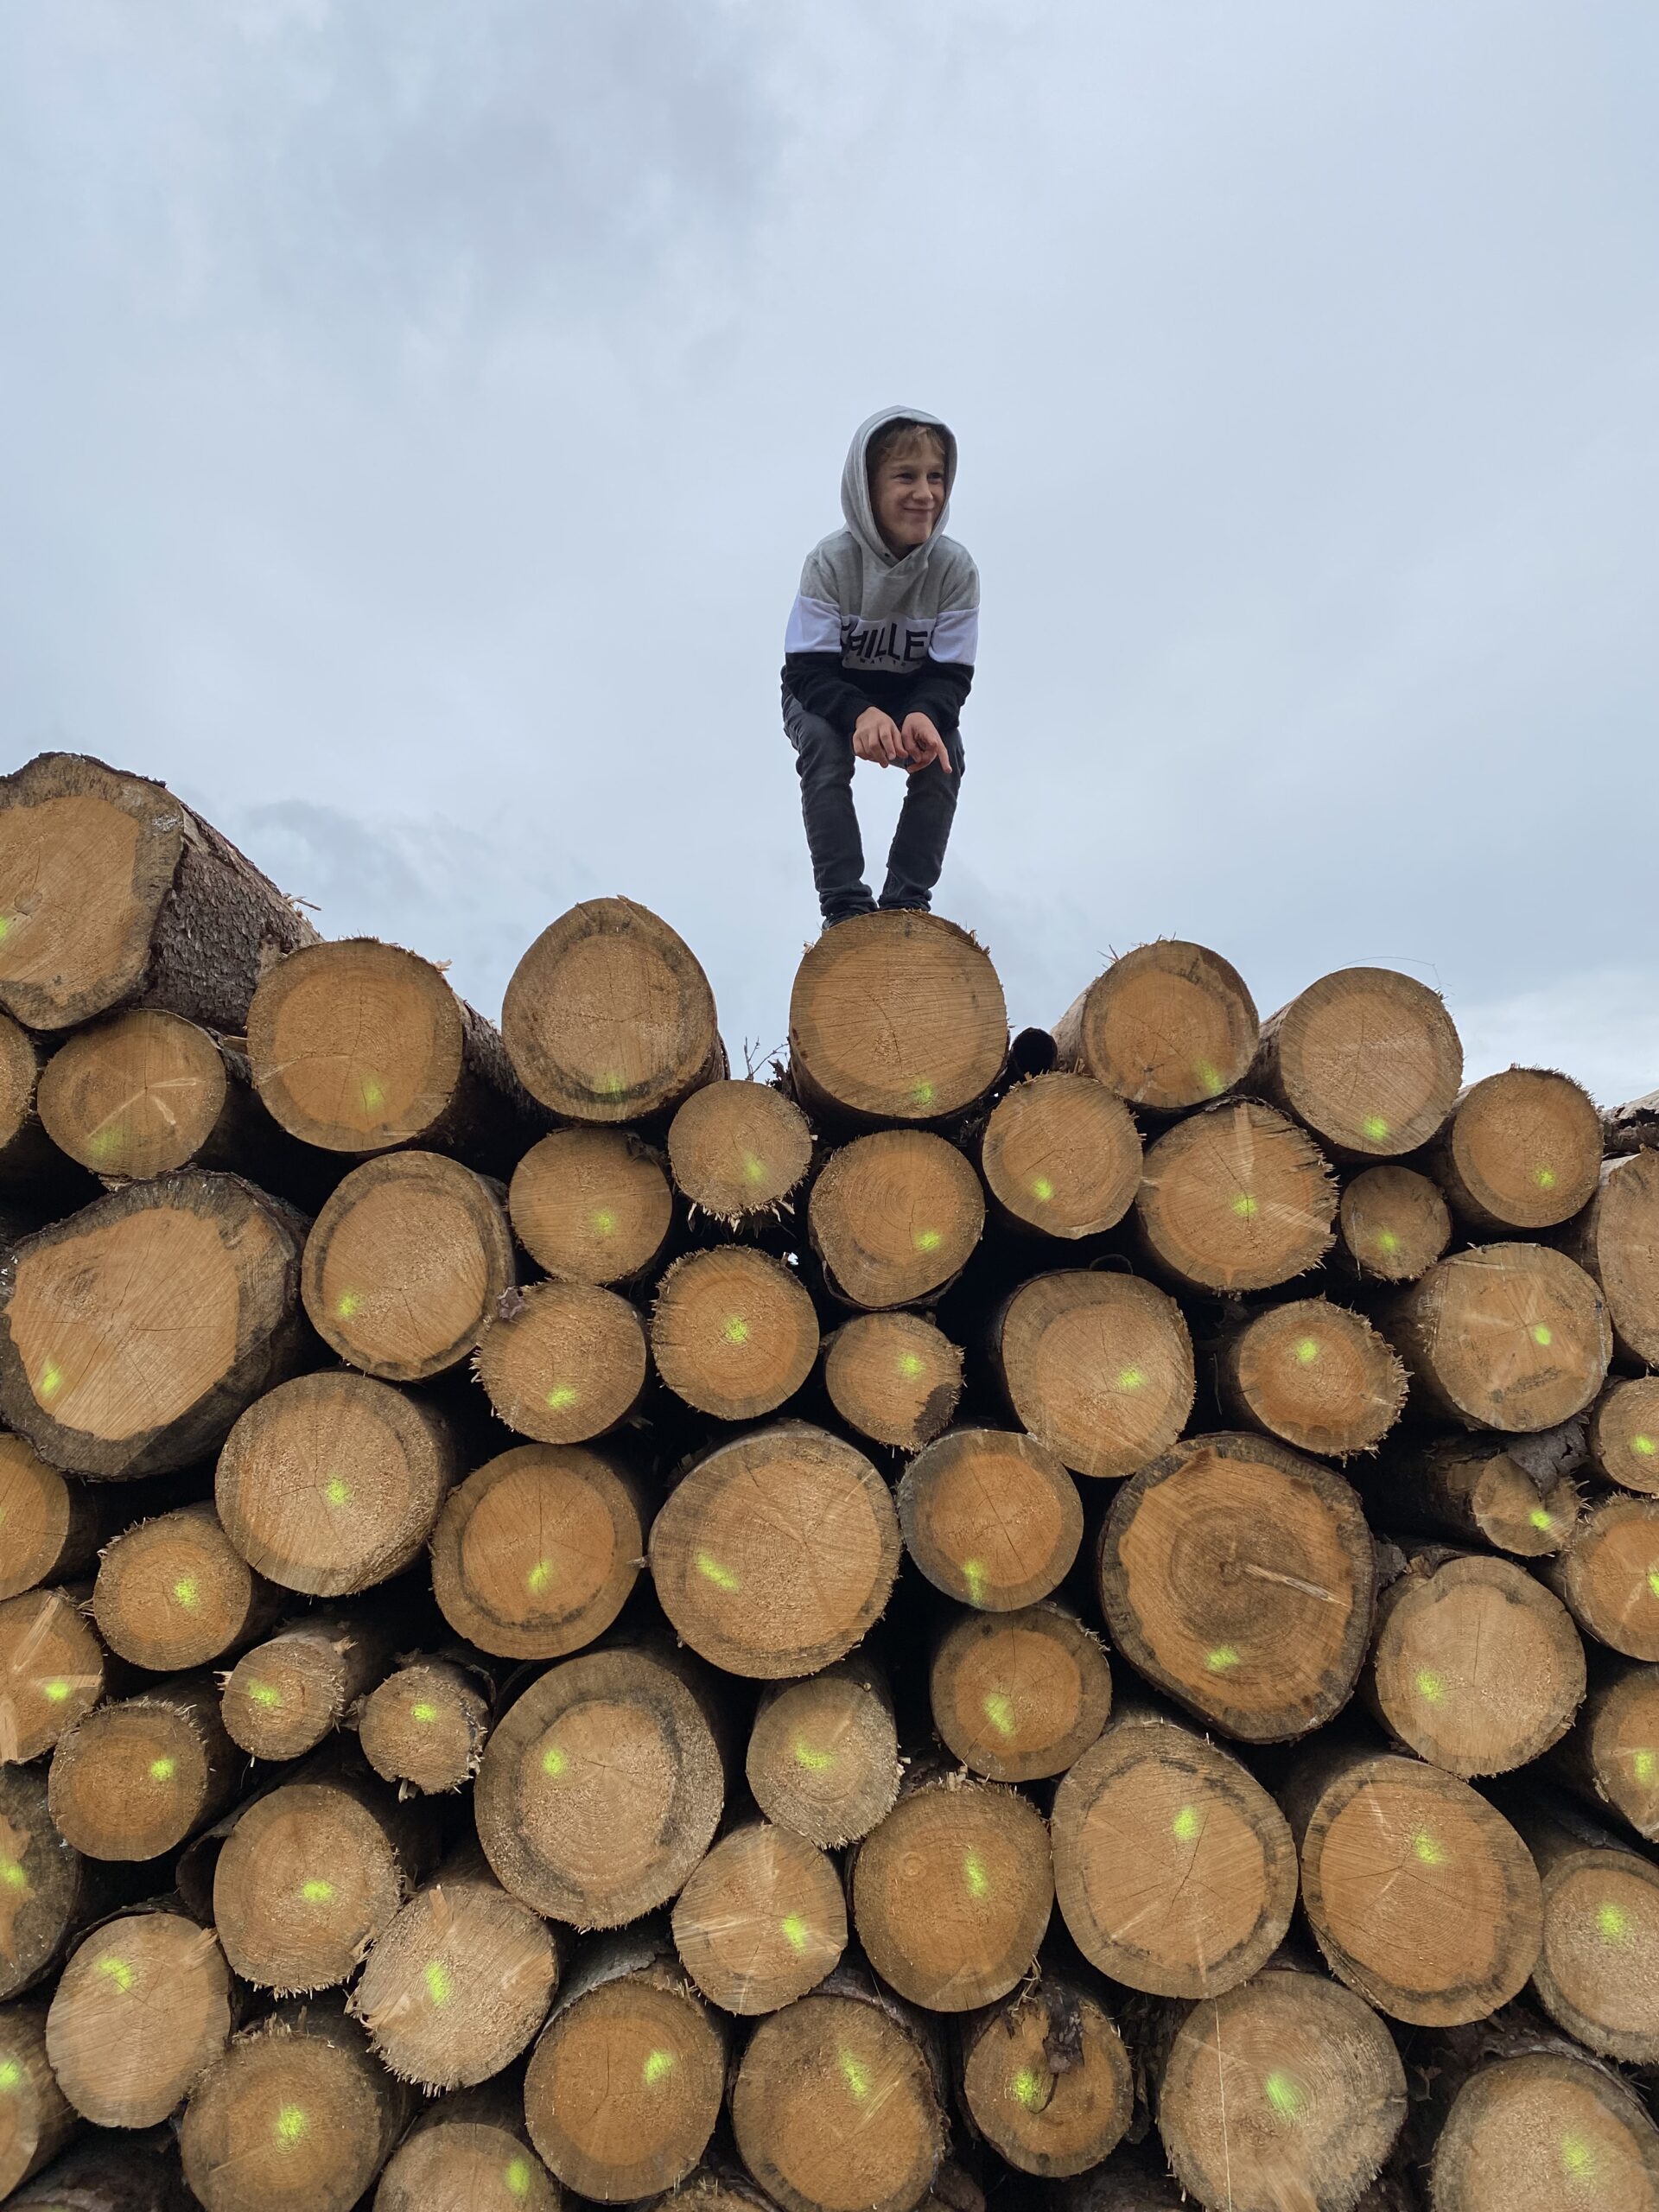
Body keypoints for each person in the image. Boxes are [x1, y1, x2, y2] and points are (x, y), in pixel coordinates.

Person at [781, 405, 979, 926]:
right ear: (867, 489)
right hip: (826, 693)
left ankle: (906, 903)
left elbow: (951, 675)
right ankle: (844, 907)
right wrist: (860, 713)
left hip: (911, 696)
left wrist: (925, 715)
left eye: (936, 477)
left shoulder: (955, 571)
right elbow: (805, 672)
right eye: (906, 476)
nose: (925, 493)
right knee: (825, 747)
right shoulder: (830, 564)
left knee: (945, 757)